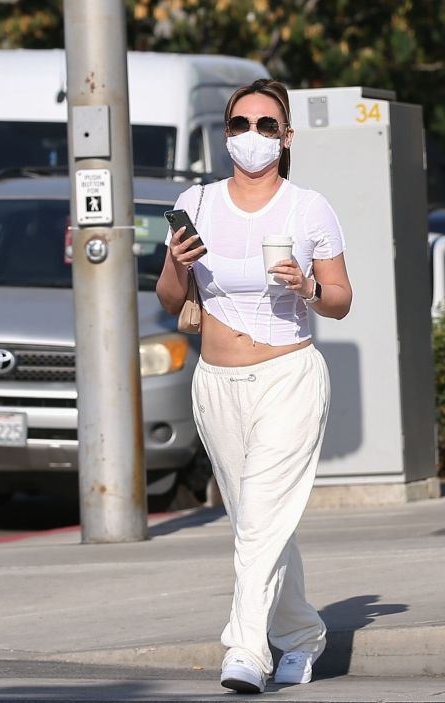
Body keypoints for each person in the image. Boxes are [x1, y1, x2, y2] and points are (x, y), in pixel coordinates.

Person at [156, 78, 352, 694]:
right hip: (216, 383)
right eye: (241, 123)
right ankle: (302, 635)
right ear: (226, 133)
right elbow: (169, 299)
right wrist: (177, 263)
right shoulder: (199, 200)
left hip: (288, 376)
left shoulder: (307, 207)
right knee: (255, 522)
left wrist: (306, 288)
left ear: (286, 136)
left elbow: (342, 299)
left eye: (267, 126)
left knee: (261, 517)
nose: (253, 136)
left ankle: (245, 650)